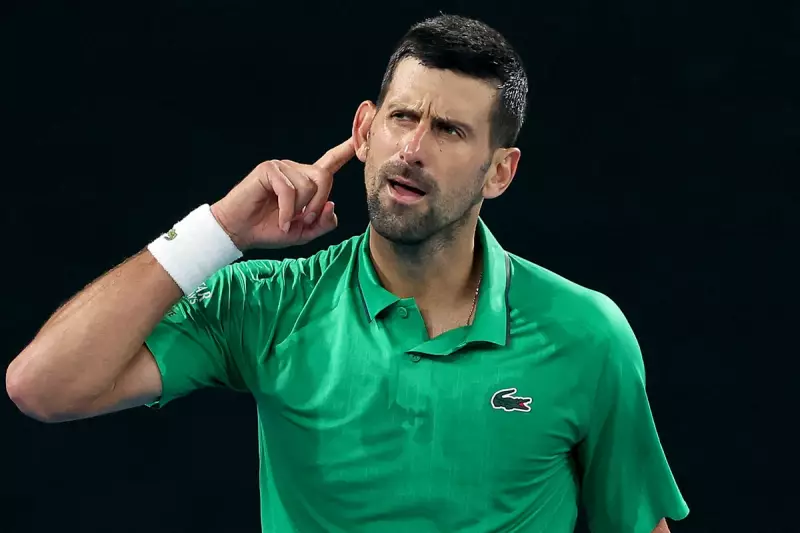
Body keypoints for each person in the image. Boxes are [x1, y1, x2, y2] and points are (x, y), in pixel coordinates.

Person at [6, 14, 689, 533]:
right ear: (364, 131)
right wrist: (217, 231)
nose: (412, 148)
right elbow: (43, 385)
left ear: (500, 171)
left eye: (450, 130)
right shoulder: (270, 305)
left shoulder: (586, 334)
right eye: (402, 117)